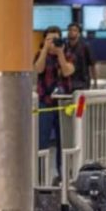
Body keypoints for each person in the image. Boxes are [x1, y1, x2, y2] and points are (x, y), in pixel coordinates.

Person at [34, 25, 75, 174]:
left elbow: (67, 72)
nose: (53, 43)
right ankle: (40, 173)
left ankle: (62, 173)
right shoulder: (40, 54)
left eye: (56, 39)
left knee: (63, 141)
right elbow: (38, 69)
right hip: (45, 102)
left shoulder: (67, 54)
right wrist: (45, 49)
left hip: (64, 104)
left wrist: (60, 54)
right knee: (42, 140)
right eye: (50, 39)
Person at [65, 23, 96, 90]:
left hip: (82, 83)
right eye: (70, 30)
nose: (71, 32)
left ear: (79, 33)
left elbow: (92, 65)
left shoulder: (85, 46)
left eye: (74, 30)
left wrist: (95, 83)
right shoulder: (65, 47)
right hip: (68, 82)